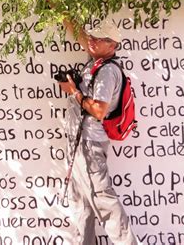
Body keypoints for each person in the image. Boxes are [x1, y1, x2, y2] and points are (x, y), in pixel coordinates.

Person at [57, 19, 137, 245]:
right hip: (81, 143)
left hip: (89, 144)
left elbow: (99, 110)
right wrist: (54, 5)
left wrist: (74, 92)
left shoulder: (107, 71)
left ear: (112, 45)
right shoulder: (96, 61)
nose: (91, 41)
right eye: (92, 36)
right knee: (82, 204)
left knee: (104, 202)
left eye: (99, 39)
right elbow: (81, 36)